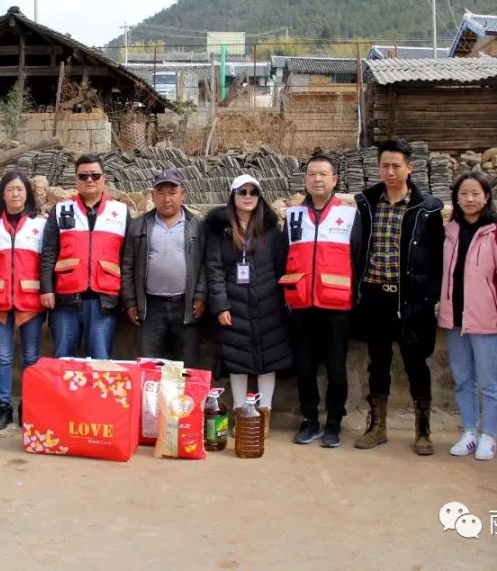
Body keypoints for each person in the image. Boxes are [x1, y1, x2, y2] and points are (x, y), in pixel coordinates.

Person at [353, 139, 444, 455]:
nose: (390, 172)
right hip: (376, 297)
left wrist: (429, 298)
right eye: (384, 166)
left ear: (410, 167)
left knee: (416, 363)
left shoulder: (427, 209)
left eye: (396, 166)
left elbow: (437, 261)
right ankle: (377, 427)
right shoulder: (367, 203)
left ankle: (423, 431)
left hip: (411, 299)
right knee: (377, 362)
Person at [282, 154, 361, 448]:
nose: (317, 179)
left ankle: (334, 423)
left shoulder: (350, 216)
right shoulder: (292, 216)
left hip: (337, 306)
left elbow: (358, 260)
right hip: (301, 305)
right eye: (312, 174)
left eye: (323, 174)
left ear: (334, 180)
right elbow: (285, 259)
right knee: (304, 367)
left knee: (337, 368)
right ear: (305, 180)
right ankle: (310, 419)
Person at [437, 172, 497, 461]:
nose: (469, 199)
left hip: (486, 318)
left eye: (475, 194)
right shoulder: (451, 230)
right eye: (463, 194)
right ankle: (469, 430)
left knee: (488, 381)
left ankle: (489, 434)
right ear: (456, 199)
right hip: (454, 317)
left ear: (487, 197)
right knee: (462, 379)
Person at [204, 174, 292, 436]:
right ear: (233, 196)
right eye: (242, 191)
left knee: (269, 360)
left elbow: (281, 267)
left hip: (268, 305)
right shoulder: (220, 232)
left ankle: (263, 415)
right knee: (237, 360)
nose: (248, 197)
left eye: (253, 192)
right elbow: (214, 269)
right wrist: (220, 306)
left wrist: (285, 300)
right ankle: (241, 414)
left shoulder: (271, 231)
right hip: (235, 305)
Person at [0, 172, 47, 430]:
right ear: (2, 194)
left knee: (31, 358)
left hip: (31, 301)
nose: (15, 194)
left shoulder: (41, 225)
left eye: (19, 189)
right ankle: (3, 407)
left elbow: (46, 263)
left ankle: (29, 406)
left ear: (27, 193)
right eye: (10, 189)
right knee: (3, 357)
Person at [40, 154, 129, 360]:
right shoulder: (61, 210)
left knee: (100, 360)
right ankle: (62, 395)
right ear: (75, 180)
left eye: (95, 175)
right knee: (63, 359)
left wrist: (128, 299)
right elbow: (49, 252)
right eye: (83, 176)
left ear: (104, 179)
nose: (89, 180)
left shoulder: (121, 212)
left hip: (103, 301)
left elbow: (128, 258)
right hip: (66, 300)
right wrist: (46, 288)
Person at [121, 169, 207, 368]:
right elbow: (127, 266)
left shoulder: (197, 226)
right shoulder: (138, 225)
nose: (167, 199)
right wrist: (131, 301)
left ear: (183, 194)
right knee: (148, 367)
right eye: (160, 193)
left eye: (172, 192)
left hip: (186, 306)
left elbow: (206, 263)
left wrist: (201, 294)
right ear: (152, 196)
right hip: (151, 308)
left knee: (188, 369)